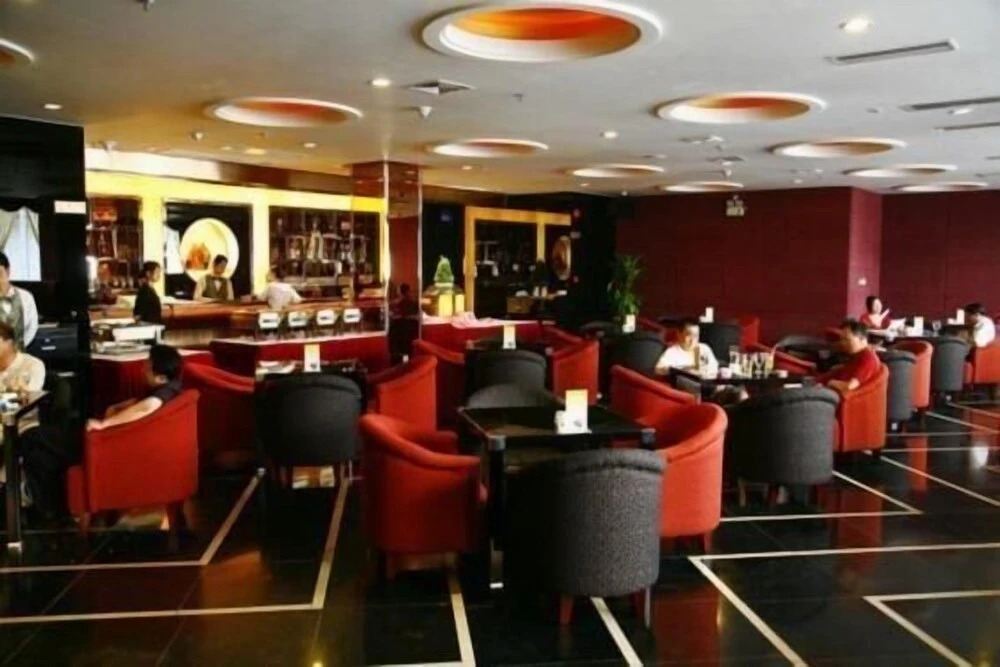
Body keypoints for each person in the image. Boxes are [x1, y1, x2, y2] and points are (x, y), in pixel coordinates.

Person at [86, 344, 183, 432]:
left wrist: (104, 424)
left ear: (161, 378)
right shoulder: (173, 384)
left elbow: (146, 407)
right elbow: (143, 401)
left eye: (147, 369)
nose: (142, 371)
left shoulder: (167, 391)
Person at [818, 319, 881, 393]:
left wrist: (831, 382)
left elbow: (849, 386)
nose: (843, 343)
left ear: (862, 339)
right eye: (842, 339)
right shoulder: (856, 355)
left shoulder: (868, 358)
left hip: (841, 397)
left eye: (847, 339)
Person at [0, 251, 39, 350]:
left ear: (8, 271)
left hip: (19, 353)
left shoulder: (25, 297)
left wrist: (17, 348)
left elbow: (32, 327)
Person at [654, 318, 719, 376]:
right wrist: (682, 370)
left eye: (696, 335)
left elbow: (714, 367)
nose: (693, 340)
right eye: (689, 335)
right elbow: (658, 370)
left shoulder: (704, 348)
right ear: (679, 334)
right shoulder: (672, 352)